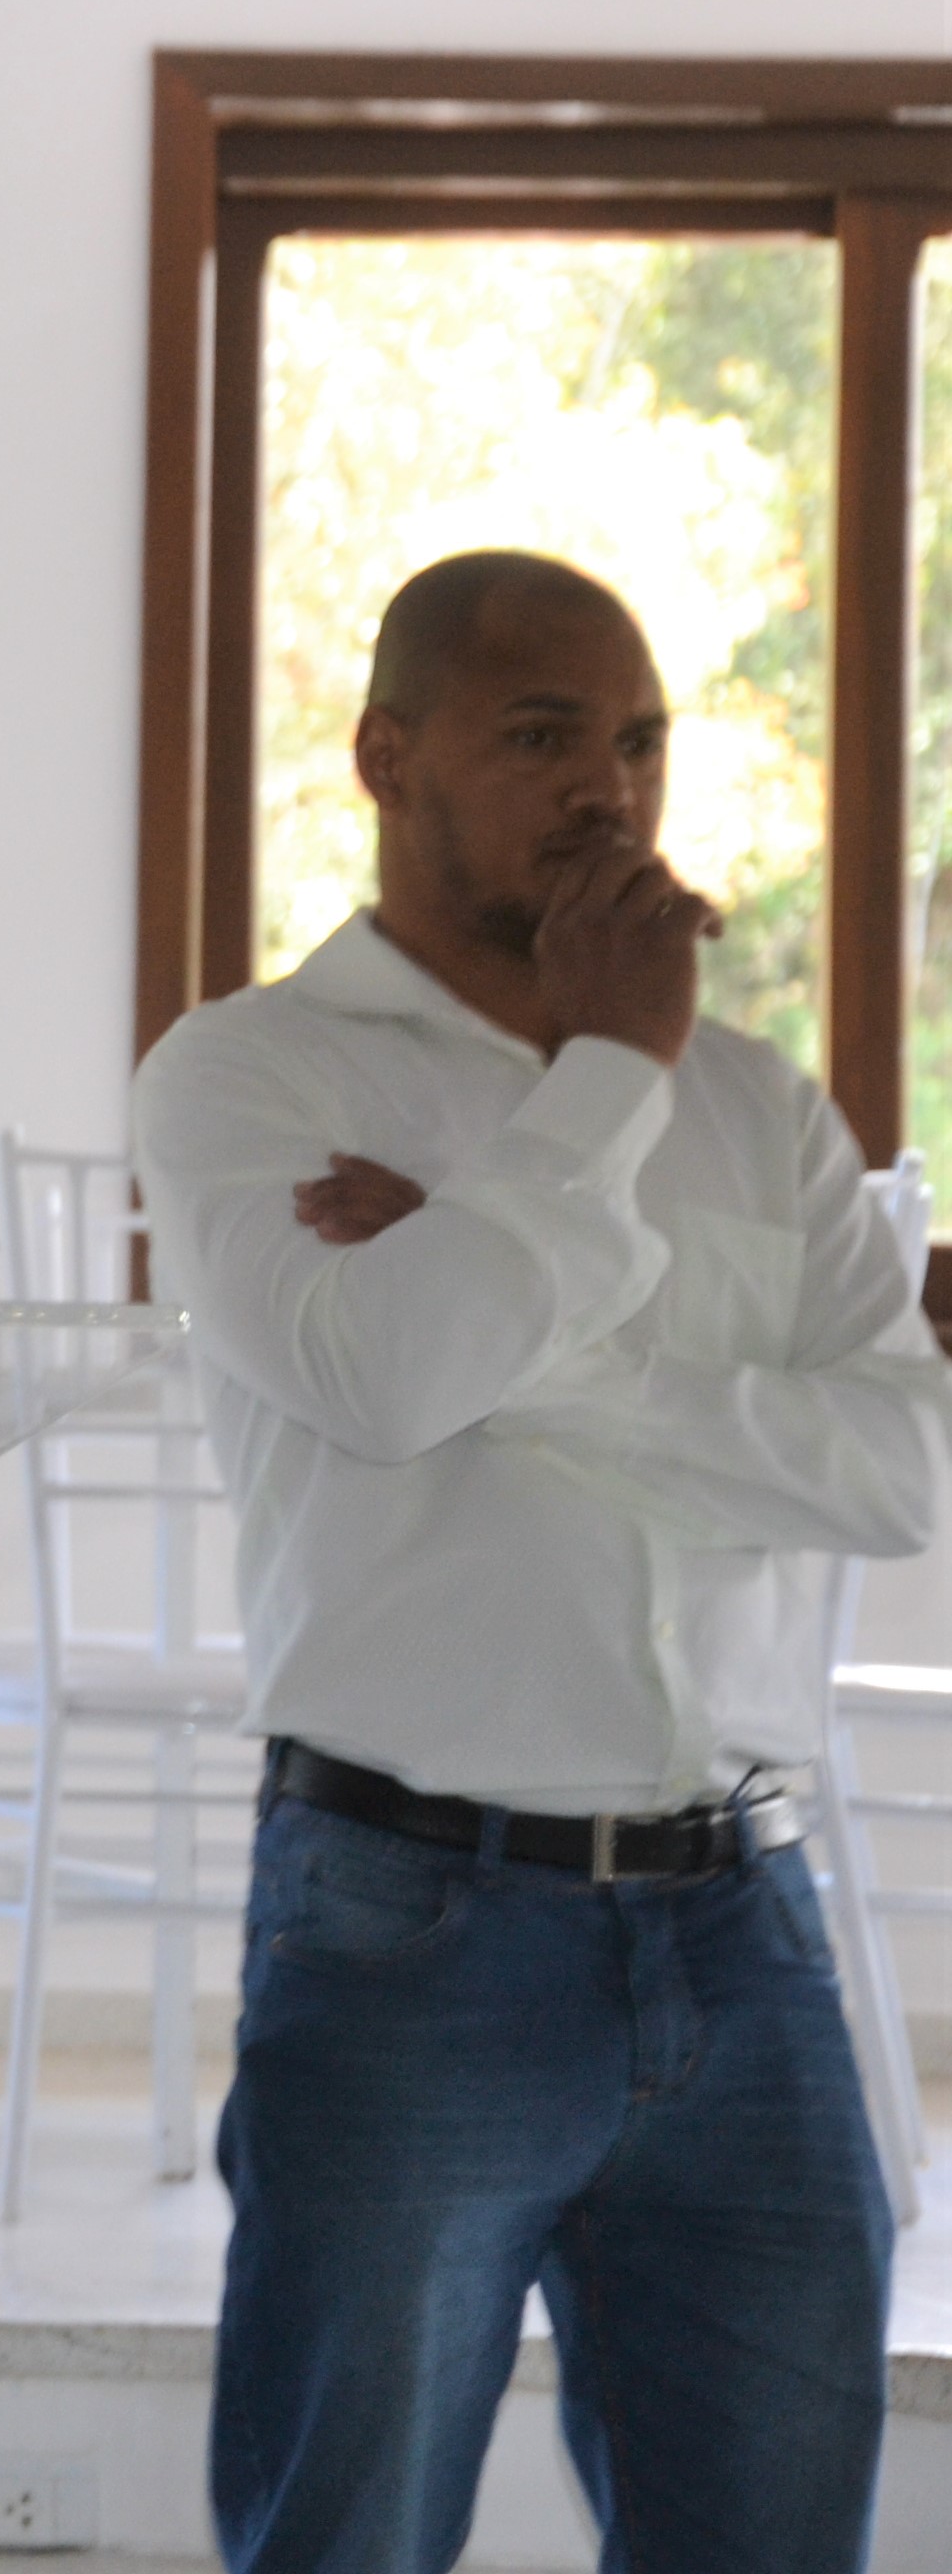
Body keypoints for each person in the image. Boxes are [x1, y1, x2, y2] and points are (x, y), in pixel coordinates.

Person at [134, 551, 936, 2574]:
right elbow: (395, 1381)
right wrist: (606, 1079)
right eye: (542, 733)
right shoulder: (249, 1073)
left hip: (743, 1924)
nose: (609, 786)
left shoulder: (762, 1112)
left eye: (639, 740)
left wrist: (542, 1350)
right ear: (384, 755)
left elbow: (905, 1472)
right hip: (411, 1923)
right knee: (346, 2538)